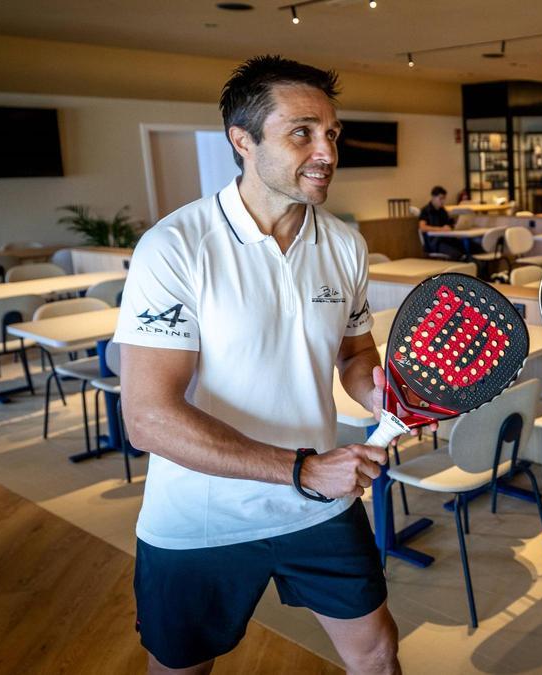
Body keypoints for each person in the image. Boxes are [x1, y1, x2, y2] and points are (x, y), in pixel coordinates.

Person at [116, 55, 400, 674]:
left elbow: (354, 353)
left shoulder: (344, 243)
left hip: (320, 503)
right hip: (201, 517)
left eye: (332, 133)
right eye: (302, 132)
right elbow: (147, 418)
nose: (326, 150)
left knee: (377, 653)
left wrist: (378, 397)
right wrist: (301, 470)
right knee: (181, 668)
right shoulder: (176, 247)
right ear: (242, 141)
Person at [417, 185, 462, 258]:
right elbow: (423, 227)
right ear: (433, 197)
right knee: (456, 253)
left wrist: (451, 226)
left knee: (465, 247)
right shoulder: (425, 210)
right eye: (440, 198)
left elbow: (448, 224)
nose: (443, 201)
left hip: (445, 239)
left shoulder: (442, 211)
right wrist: (441, 229)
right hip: (434, 242)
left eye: (444, 199)